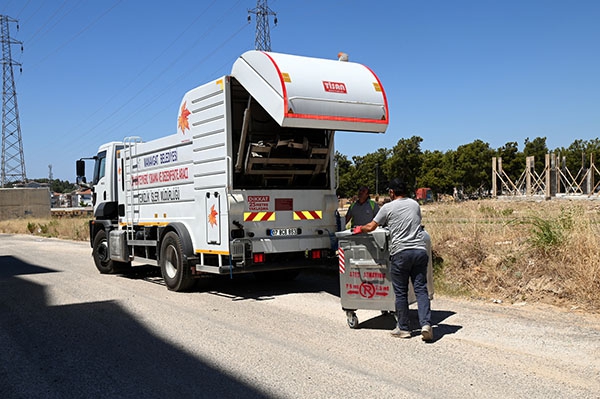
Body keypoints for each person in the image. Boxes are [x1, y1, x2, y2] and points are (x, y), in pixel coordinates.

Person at [352, 178, 432, 342]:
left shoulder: (387, 207)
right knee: (420, 289)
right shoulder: (415, 205)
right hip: (419, 251)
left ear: (391, 192)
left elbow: (372, 227)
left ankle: (403, 328)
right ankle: (426, 325)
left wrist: (359, 228)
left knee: (401, 292)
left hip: (401, 253)